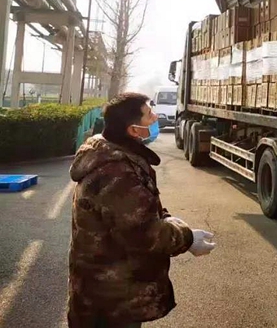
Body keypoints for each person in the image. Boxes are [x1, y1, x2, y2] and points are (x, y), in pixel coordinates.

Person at [68, 92, 216, 328]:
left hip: (111, 292)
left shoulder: (116, 155)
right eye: (149, 114)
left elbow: (138, 210)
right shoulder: (116, 171)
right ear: (134, 130)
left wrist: (167, 218)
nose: (156, 117)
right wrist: (187, 238)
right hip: (110, 301)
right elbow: (145, 234)